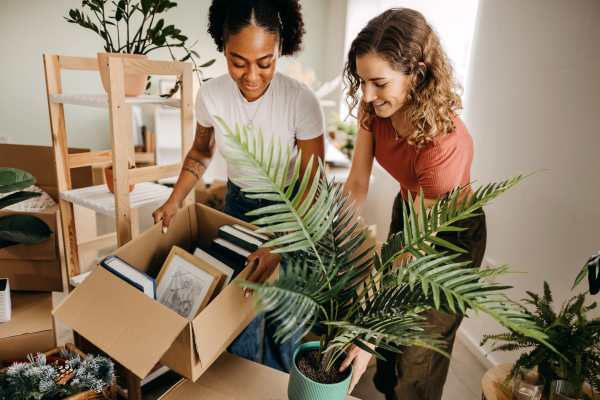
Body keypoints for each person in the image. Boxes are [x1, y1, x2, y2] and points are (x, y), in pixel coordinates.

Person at [152, 0, 325, 372]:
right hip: (238, 208)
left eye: (265, 62)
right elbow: (200, 154)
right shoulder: (212, 96)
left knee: (284, 324)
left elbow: (313, 187)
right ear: (223, 46)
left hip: (292, 215)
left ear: (281, 48)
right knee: (239, 317)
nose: (251, 75)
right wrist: (174, 200)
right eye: (238, 61)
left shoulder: (301, 101)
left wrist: (280, 244)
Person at [339, 8, 487, 399]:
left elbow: (411, 253)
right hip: (410, 212)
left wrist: (365, 331)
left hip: (451, 236)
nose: (367, 95)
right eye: (362, 80)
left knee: (417, 349)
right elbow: (356, 183)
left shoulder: (444, 146)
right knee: (389, 349)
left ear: (417, 75)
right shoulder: (375, 109)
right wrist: (330, 233)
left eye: (379, 83)